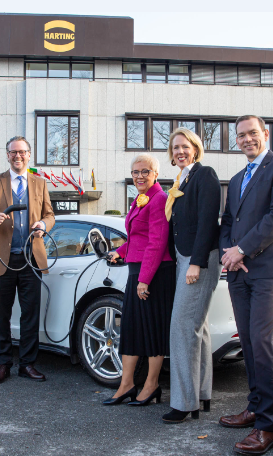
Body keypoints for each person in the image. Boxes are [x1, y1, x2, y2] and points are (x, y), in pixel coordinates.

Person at [218, 115, 273, 455]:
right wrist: (228, 253)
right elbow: (227, 221)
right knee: (249, 343)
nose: (247, 139)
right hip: (238, 271)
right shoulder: (238, 178)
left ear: (265, 134)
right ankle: (254, 408)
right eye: (241, 135)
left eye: (253, 133)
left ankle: (268, 427)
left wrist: (242, 249)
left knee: (263, 343)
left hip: (267, 269)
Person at [0, 136, 55, 384]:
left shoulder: (40, 182)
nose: (17, 156)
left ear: (29, 155)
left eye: (22, 152)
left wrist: (44, 225)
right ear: (7, 155)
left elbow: (50, 215)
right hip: (1, 259)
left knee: (30, 315)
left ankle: (27, 364)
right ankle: (2, 364)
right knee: (1, 316)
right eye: (13, 152)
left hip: (31, 259)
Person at [104, 154, 175, 407]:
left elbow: (157, 241)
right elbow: (137, 238)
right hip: (138, 271)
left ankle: (151, 385)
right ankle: (127, 385)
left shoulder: (159, 199)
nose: (140, 176)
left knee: (152, 331)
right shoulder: (139, 199)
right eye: (135, 172)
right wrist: (120, 251)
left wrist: (144, 280)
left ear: (156, 174)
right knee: (132, 330)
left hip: (154, 274)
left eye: (145, 171)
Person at [162, 127, 221, 424]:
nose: (180, 151)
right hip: (184, 258)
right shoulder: (180, 180)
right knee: (199, 328)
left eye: (185, 146)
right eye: (175, 148)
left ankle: (184, 403)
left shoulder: (204, 174)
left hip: (199, 258)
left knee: (182, 327)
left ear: (195, 149)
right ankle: (201, 394)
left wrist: (196, 263)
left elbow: (208, 221)